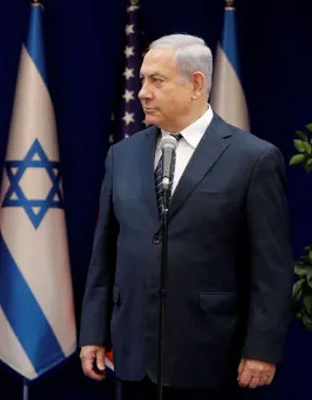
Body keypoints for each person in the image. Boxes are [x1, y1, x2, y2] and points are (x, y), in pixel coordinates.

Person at [78, 34, 292, 399]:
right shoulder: (122, 156)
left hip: (212, 355)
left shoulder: (253, 159)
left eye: (156, 81)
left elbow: (271, 267)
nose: (143, 92)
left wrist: (262, 348)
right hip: (135, 352)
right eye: (142, 80)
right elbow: (105, 253)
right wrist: (93, 333)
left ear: (196, 84)